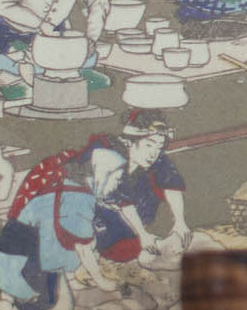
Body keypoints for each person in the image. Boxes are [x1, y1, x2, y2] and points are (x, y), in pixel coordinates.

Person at [0, 144, 125, 310]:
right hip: (20, 271)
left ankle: (4, 300)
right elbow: (82, 249)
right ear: (101, 175)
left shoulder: (65, 188)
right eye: (116, 179)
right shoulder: (79, 199)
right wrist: (102, 282)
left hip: (10, 264)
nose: (117, 185)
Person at [80, 110, 191, 263]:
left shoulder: (151, 157)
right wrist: (142, 234)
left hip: (124, 214)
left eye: (159, 147)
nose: (154, 153)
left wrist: (180, 221)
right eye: (149, 145)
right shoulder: (110, 158)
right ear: (130, 142)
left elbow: (171, 183)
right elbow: (121, 200)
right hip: (92, 211)